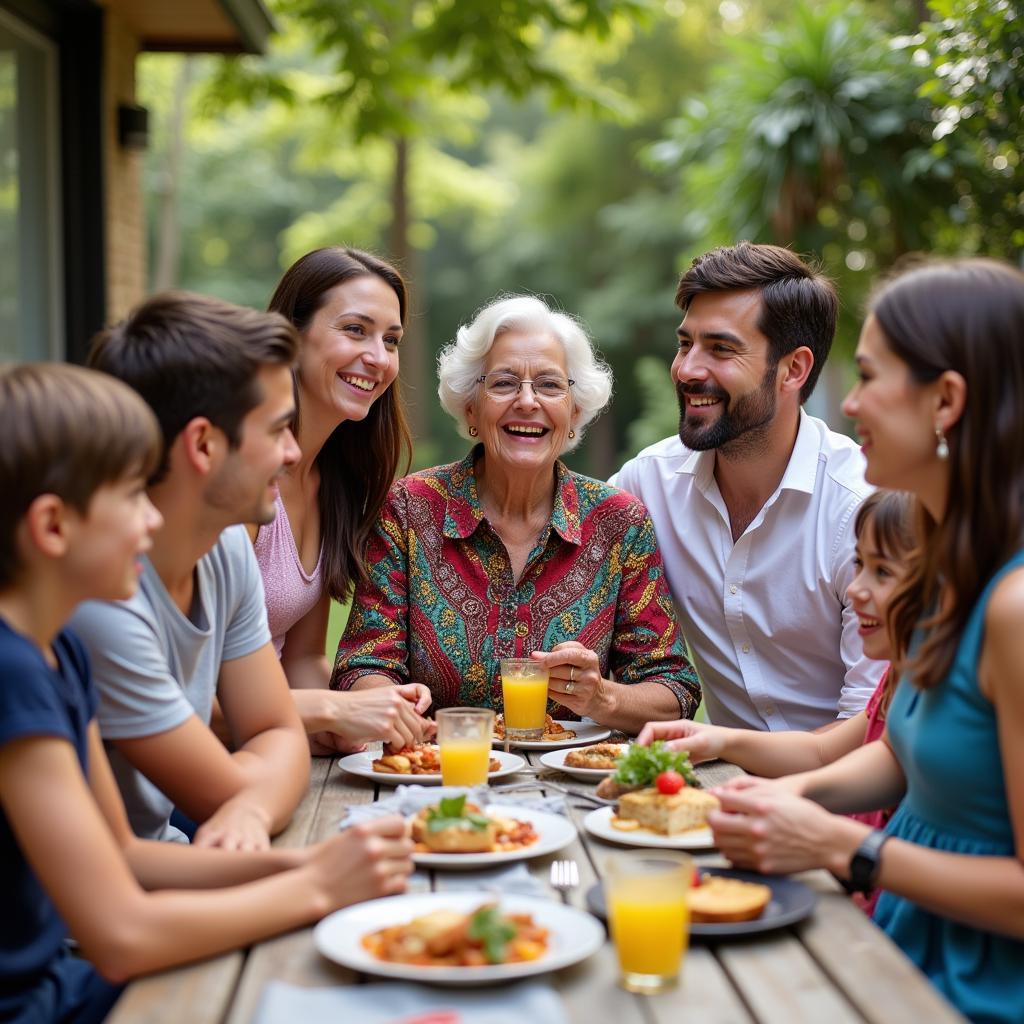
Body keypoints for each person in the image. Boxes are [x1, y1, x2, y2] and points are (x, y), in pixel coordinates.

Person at [0, 363, 412, 1024]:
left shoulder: (59, 650)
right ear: (52, 527)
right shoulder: (13, 674)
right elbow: (121, 937)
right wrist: (311, 887)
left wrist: (315, 864)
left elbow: (127, 854)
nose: (151, 518)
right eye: (134, 495)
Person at [707, 259, 1024, 1024]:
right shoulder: (950, 570)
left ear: (946, 400)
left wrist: (843, 848)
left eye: (871, 376)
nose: (846, 404)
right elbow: (905, 748)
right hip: (896, 948)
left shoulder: (1015, 608)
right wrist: (784, 796)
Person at [332, 295, 701, 734]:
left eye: (549, 385)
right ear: (471, 407)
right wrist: (389, 701)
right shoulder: (409, 508)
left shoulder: (620, 523)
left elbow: (675, 690)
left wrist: (604, 697)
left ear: (574, 411)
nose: (527, 401)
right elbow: (361, 666)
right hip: (440, 777)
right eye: (504, 383)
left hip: (573, 787)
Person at [69, 292, 310, 850]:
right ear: (203, 443)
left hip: (173, 865)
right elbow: (219, 791)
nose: (293, 452)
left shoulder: (224, 545)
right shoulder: (102, 598)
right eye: (277, 430)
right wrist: (251, 800)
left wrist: (250, 804)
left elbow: (278, 731)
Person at [611, 242, 878, 731]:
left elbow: (870, 730)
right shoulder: (646, 485)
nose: (688, 369)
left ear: (793, 369)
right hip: (721, 784)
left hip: (845, 797)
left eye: (721, 349)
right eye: (684, 343)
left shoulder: (862, 510)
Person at [638, 487, 913, 914]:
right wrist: (717, 742)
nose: (855, 589)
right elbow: (826, 751)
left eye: (883, 572)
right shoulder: (902, 679)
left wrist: (827, 839)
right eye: (860, 565)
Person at [258, 247, 432, 755]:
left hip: (273, 746)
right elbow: (186, 691)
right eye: (355, 330)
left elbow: (303, 660)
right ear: (291, 334)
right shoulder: (245, 485)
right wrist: (338, 711)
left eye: (392, 340)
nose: (378, 357)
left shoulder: (337, 485)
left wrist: (357, 730)